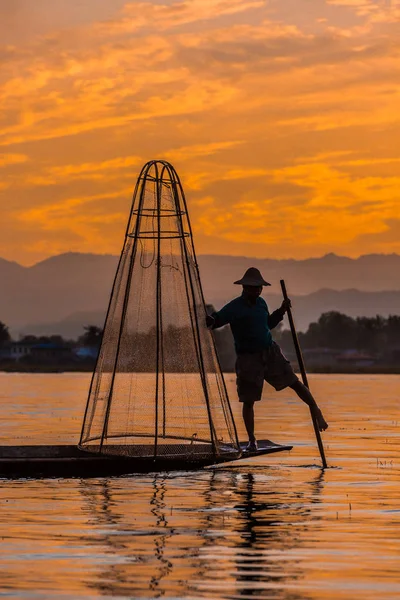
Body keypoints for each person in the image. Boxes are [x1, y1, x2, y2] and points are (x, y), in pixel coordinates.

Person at [206, 267, 328, 452]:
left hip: (270, 352)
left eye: (258, 288)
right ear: (244, 288)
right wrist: (208, 320)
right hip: (248, 359)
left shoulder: (261, 303)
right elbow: (217, 321)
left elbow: (267, 324)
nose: (256, 291)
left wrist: (281, 311)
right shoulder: (235, 307)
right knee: (249, 400)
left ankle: (316, 410)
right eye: (252, 288)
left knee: (294, 382)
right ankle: (252, 440)